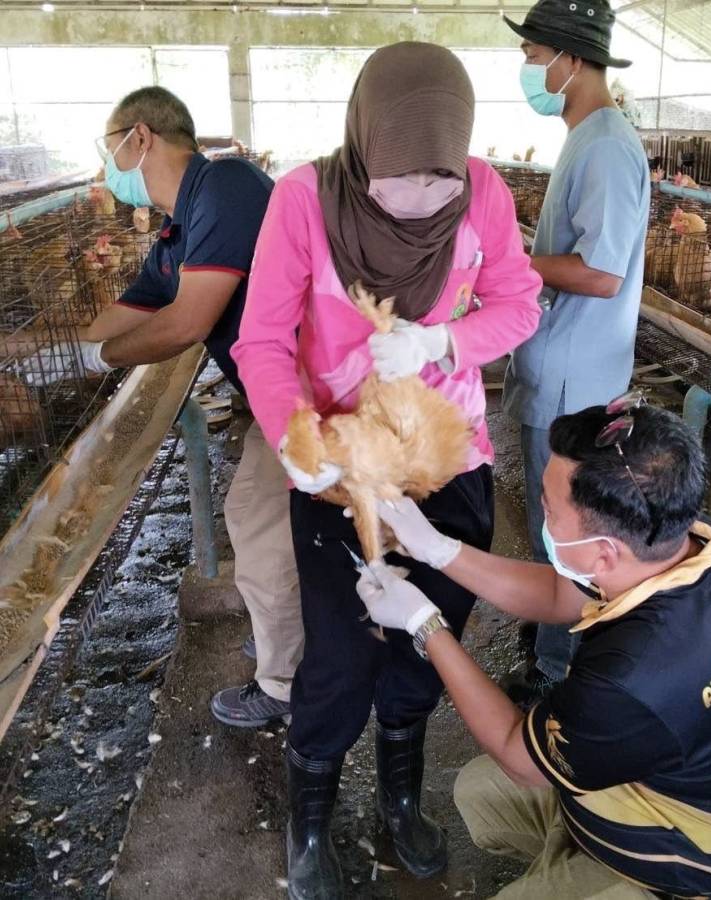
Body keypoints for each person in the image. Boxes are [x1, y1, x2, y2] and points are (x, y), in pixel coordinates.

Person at [231, 42, 541, 898]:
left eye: (441, 182)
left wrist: (444, 340)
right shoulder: (304, 200)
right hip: (343, 463)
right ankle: (309, 822)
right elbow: (261, 339)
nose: (421, 201)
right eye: (399, 181)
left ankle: (400, 797)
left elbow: (519, 303)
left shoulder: (485, 192)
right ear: (365, 144)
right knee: (340, 653)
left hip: (448, 458)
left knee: (426, 641)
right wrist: (293, 435)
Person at [357, 398, 711, 900]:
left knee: (511, 776)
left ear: (604, 553)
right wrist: (437, 549)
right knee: (481, 792)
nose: (541, 513)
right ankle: (571, 860)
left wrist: (424, 624)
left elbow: (518, 755)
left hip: (697, 867)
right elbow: (561, 595)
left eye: (549, 509)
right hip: (645, 782)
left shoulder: (630, 682)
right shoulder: (700, 547)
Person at [19, 87, 303, 727]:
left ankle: (288, 683)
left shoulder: (227, 185)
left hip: (313, 391)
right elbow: (116, 320)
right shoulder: (176, 234)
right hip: (282, 394)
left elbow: (185, 323)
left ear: (140, 137)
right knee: (285, 521)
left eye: (109, 151)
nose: (108, 170)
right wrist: (35, 351)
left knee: (256, 521)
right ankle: (298, 631)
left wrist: (98, 360)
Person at [501, 0, 651, 702]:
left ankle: (557, 669)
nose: (529, 69)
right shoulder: (584, 136)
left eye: (534, 56)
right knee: (551, 516)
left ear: (571, 58)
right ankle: (552, 632)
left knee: (563, 524)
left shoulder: (609, 147)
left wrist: (512, 264)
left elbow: (602, 273)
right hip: (565, 363)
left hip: (575, 376)